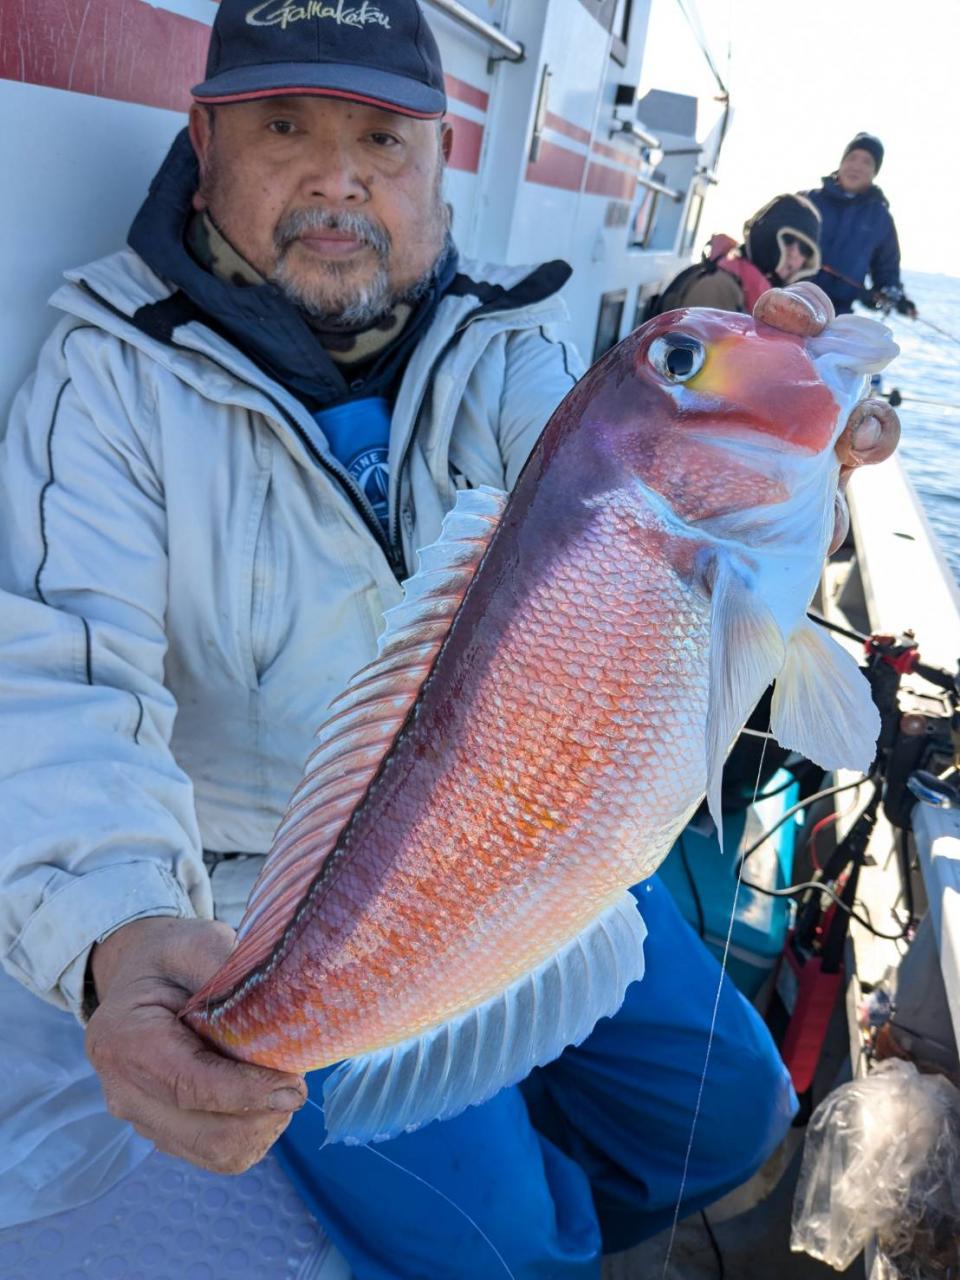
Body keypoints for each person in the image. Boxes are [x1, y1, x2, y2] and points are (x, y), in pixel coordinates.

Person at [0, 2, 900, 1276]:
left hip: (545, 834)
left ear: (440, 163)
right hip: (272, 904)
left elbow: (604, 448)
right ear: (204, 143)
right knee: (506, 1244)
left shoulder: (506, 345)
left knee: (730, 1112)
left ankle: (514, 1175)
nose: (337, 176)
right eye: (284, 127)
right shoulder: (108, 378)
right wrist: (120, 930)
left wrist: (736, 370)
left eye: (382, 137)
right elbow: (58, 673)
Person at [646, 192, 821, 316]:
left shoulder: (768, 299)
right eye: (788, 240)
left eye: (805, 249)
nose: (794, 253)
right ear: (766, 236)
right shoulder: (718, 287)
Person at [807, 133, 917, 317]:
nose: (856, 166)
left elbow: (887, 271)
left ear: (875, 172)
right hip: (786, 301)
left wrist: (891, 295)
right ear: (841, 163)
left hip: (836, 316)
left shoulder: (880, 219)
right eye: (852, 158)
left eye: (867, 162)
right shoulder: (807, 200)